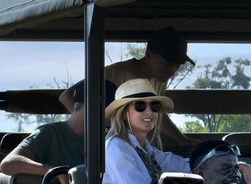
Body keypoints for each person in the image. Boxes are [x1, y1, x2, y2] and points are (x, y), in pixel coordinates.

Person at [64, 26, 192, 148]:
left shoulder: (160, 80)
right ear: (149, 55)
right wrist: (95, 131)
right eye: (166, 64)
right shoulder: (115, 73)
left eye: (178, 66)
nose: (173, 71)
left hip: (136, 145)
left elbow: (156, 113)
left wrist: (181, 139)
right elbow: (66, 96)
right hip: (108, 145)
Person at [100, 79, 192, 184]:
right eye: (140, 106)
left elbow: (180, 165)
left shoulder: (147, 150)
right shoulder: (117, 148)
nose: (149, 112)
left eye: (154, 106)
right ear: (124, 113)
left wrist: (211, 164)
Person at [1, 79, 115, 184]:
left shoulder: (105, 141)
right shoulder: (49, 133)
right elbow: (8, 164)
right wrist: (54, 172)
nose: (108, 118)